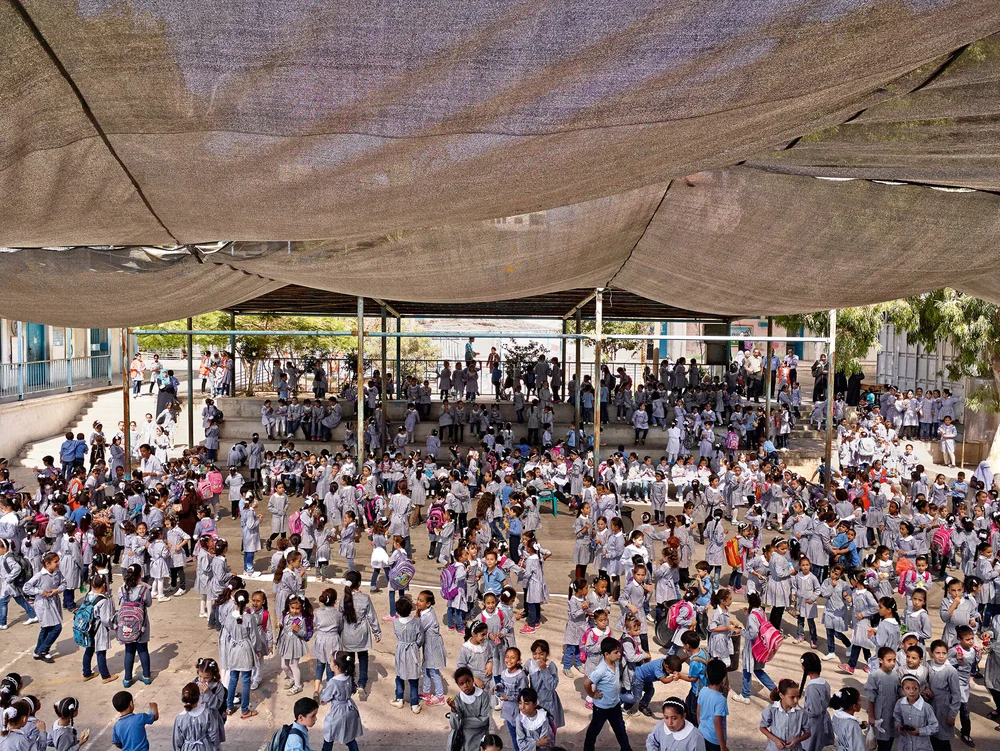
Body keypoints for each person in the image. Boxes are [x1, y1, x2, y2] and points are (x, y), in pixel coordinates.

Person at [582, 637, 632, 751]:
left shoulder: (615, 663)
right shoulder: (601, 669)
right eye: (616, 652)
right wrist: (592, 694)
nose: (619, 654)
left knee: (620, 730)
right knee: (594, 731)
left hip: (615, 705)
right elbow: (587, 683)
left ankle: (626, 748)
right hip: (602, 708)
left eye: (619, 651)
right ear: (606, 654)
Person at [697, 659, 730, 751]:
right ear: (723, 678)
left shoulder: (703, 690)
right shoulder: (721, 700)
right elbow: (717, 723)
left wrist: (701, 727)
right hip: (714, 739)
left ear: (707, 675)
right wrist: (722, 746)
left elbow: (698, 712)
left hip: (702, 732)